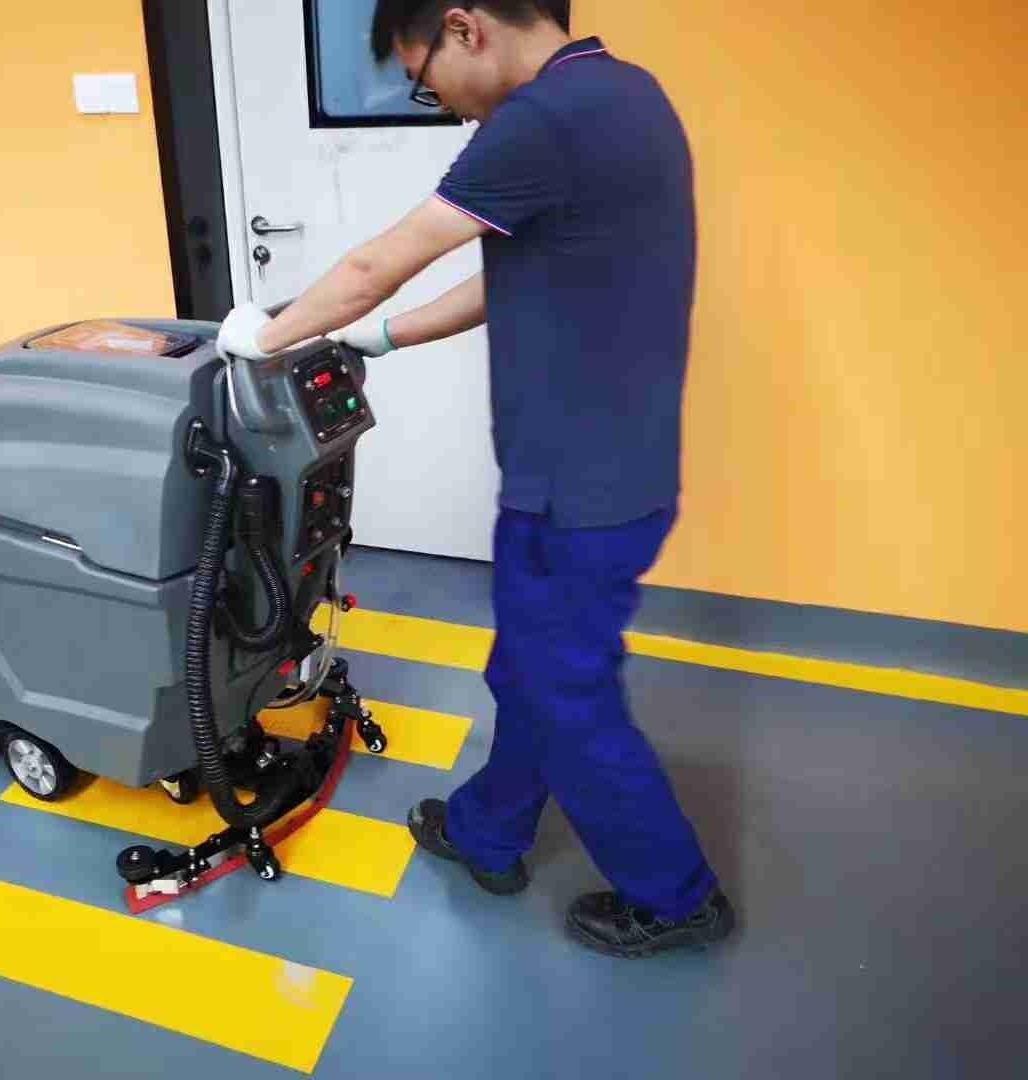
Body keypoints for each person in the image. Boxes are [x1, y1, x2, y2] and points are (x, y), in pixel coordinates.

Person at [213, 0, 734, 958]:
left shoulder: (544, 120)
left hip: (578, 487)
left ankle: (676, 894)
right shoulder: (628, 97)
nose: (444, 105)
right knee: (531, 669)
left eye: (423, 80)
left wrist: (263, 337)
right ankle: (488, 830)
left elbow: (376, 261)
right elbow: (516, 274)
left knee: (564, 689)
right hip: (605, 469)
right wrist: (379, 336)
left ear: (464, 27)